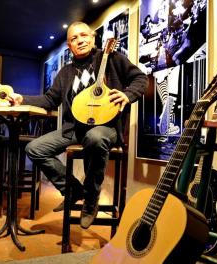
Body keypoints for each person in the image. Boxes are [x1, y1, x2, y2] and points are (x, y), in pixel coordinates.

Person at [8, 22, 148, 229]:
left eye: (84, 36)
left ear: (92, 38)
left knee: (95, 137)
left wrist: (127, 95)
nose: (80, 40)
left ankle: (91, 199)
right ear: (69, 45)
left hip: (106, 127)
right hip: (73, 129)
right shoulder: (65, 72)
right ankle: (73, 190)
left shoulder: (110, 58)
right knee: (34, 148)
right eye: (74, 38)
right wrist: (23, 99)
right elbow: (49, 99)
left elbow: (140, 78)